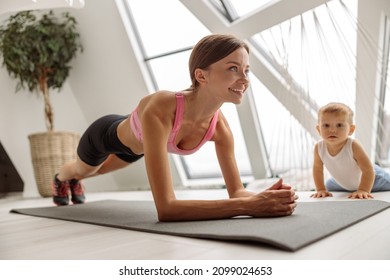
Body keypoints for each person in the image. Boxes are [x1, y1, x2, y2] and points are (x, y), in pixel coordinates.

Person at [52, 34, 298, 221]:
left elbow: (236, 192)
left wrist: (263, 197)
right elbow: (166, 208)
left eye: (246, 70)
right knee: (84, 170)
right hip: (105, 135)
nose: (244, 79)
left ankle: (74, 181)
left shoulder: (220, 128)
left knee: (99, 172)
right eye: (233, 68)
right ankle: (62, 179)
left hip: (137, 149)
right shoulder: (162, 105)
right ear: (201, 76)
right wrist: (249, 207)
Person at [311, 102, 390, 199]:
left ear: (351, 129)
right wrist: (320, 189)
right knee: (329, 184)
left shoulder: (353, 145)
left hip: (373, 178)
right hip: (344, 182)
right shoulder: (318, 148)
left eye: (339, 125)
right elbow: (317, 170)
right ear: (319, 129)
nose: (332, 130)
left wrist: (363, 190)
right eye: (326, 125)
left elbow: (369, 170)